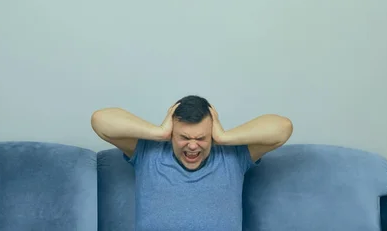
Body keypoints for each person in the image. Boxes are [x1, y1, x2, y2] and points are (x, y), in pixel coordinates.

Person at [91, 95, 293, 231]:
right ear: (171, 133)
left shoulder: (233, 157)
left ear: (212, 134)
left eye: (201, 138)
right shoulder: (148, 153)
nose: (193, 146)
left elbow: (283, 128)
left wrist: (224, 137)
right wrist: (158, 132)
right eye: (184, 137)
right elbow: (100, 121)